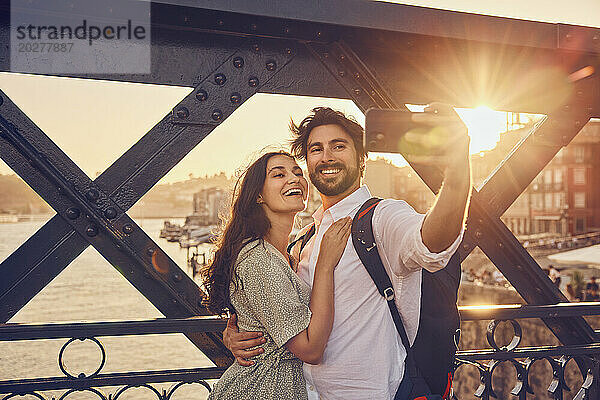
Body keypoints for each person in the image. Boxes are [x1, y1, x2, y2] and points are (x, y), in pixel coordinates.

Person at [223, 105, 471, 399]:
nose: (326, 156)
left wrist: (458, 170)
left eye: (338, 146)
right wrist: (235, 333)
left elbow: (432, 242)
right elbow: (279, 308)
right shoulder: (303, 240)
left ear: (361, 159)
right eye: (316, 149)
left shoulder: (382, 218)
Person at [202, 151, 352, 399]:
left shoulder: (289, 252)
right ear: (258, 195)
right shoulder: (258, 259)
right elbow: (311, 349)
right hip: (259, 390)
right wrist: (326, 264)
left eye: (297, 173)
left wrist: (232, 332)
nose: (294, 179)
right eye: (279, 174)